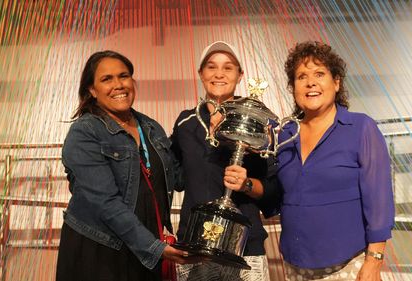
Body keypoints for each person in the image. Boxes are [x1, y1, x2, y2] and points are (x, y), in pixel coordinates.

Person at [56, 50, 193, 281]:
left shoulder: (150, 127)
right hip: (101, 251)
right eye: (106, 79)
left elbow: (178, 178)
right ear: (92, 90)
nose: (118, 85)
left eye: (124, 76)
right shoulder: (85, 132)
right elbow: (105, 203)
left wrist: (204, 136)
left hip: (146, 248)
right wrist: (154, 248)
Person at [276, 41, 395, 281]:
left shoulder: (361, 128)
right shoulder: (286, 134)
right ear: (293, 87)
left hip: (349, 266)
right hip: (295, 266)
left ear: (336, 82)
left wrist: (373, 263)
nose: (310, 82)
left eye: (319, 74)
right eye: (301, 77)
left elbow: (379, 201)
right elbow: (278, 196)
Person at [171, 41, 276, 281]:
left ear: (240, 75)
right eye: (211, 67)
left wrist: (246, 184)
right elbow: (174, 175)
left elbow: (273, 189)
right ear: (201, 74)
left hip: (245, 247)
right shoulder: (185, 123)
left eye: (228, 68)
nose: (219, 73)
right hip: (194, 245)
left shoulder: (257, 124)